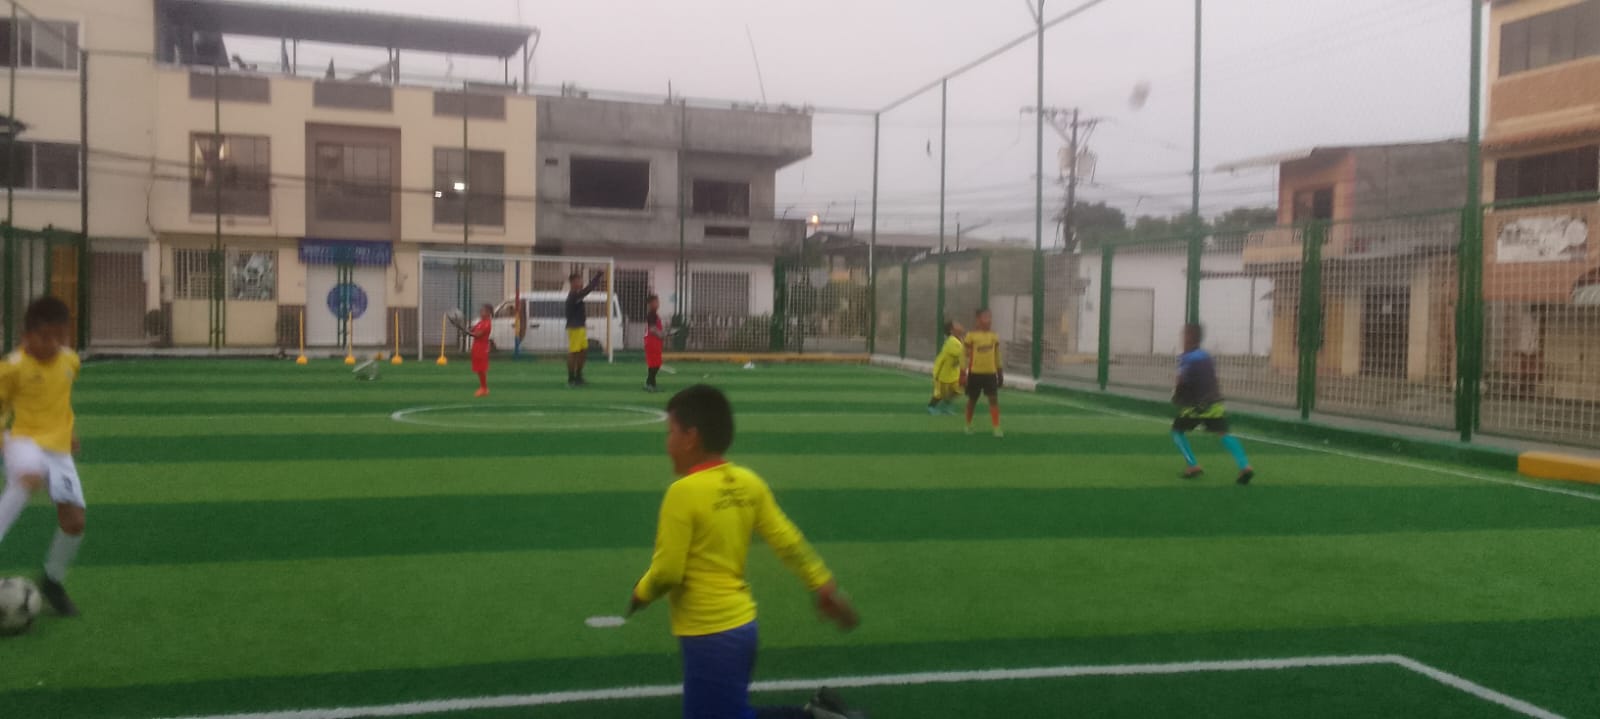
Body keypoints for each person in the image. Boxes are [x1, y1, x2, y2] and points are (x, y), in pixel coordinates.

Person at [630, 385, 863, 719]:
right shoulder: (747, 482)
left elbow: (667, 571)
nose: (667, 443)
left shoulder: (681, 493)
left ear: (691, 437)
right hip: (742, 627)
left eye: (671, 433)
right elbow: (787, 540)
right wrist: (822, 583)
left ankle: (816, 717)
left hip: (709, 632)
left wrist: (640, 594)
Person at [0, 296, 86, 616]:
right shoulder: (12, 367)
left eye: (60, 337)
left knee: (74, 522)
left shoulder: (70, 361)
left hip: (58, 449)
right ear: (27, 336)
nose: (54, 344)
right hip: (22, 439)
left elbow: (60, 398)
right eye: (46, 337)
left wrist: (69, 432)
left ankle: (52, 580)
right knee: (29, 478)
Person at [1172, 323, 1254, 485]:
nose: (1182, 337)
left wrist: (1177, 397)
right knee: (1224, 433)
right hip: (1215, 403)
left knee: (1177, 431)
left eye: (1184, 334)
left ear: (1189, 337)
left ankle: (1192, 465)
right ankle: (1244, 466)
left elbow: (1181, 381)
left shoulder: (1186, 358)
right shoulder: (1207, 356)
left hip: (1195, 406)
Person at [963, 308, 1003, 437]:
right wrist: (963, 373)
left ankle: (996, 427)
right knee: (972, 400)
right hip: (975, 373)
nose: (989, 320)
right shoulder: (971, 336)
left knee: (993, 399)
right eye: (985, 317)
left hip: (990, 374)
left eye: (990, 317)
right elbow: (964, 355)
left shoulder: (994, 336)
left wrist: (1000, 371)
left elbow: (997, 355)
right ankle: (968, 425)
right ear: (978, 320)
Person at [566, 271, 604, 388]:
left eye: (581, 280)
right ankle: (571, 378)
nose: (581, 283)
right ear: (572, 283)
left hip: (580, 327)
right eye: (578, 280)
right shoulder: (574, 295)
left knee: (583, 352)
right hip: (575, 328)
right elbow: (588, 289)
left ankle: (578, 376)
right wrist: (598, 276)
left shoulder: (576, 295)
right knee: (574, 352)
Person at [928, 319, 965, 415]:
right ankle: (931, 407)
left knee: (958, 390)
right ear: (952, 331)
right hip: (942, 372)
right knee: (940, 393)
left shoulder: (959, 340)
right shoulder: (952, 341)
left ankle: (946, 405)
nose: (960, 326)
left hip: (953, 372)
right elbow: (961, 353)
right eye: (956, 325)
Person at [644, 294, 667, 393]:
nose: (658, 304)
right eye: (656, 302)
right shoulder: (652, 314)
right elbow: (652, 329)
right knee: (655, 364)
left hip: (654, 342)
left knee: (655, 364)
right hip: (652, 342)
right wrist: (661, 335)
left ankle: (650, 383)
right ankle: (650, 384)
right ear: (651, 303)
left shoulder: (653, 314)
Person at [471, 304, 493, 397]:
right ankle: (482, 387)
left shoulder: (487, 323)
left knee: (481, 368)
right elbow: (473, 329)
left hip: (482, 348)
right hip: (476, 347)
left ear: (488, 313)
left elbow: (478, 334)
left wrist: (468, 332)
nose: (481, 312)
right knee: (478, 368)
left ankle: (484, 388)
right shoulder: (480, 322)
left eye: (483, 311)